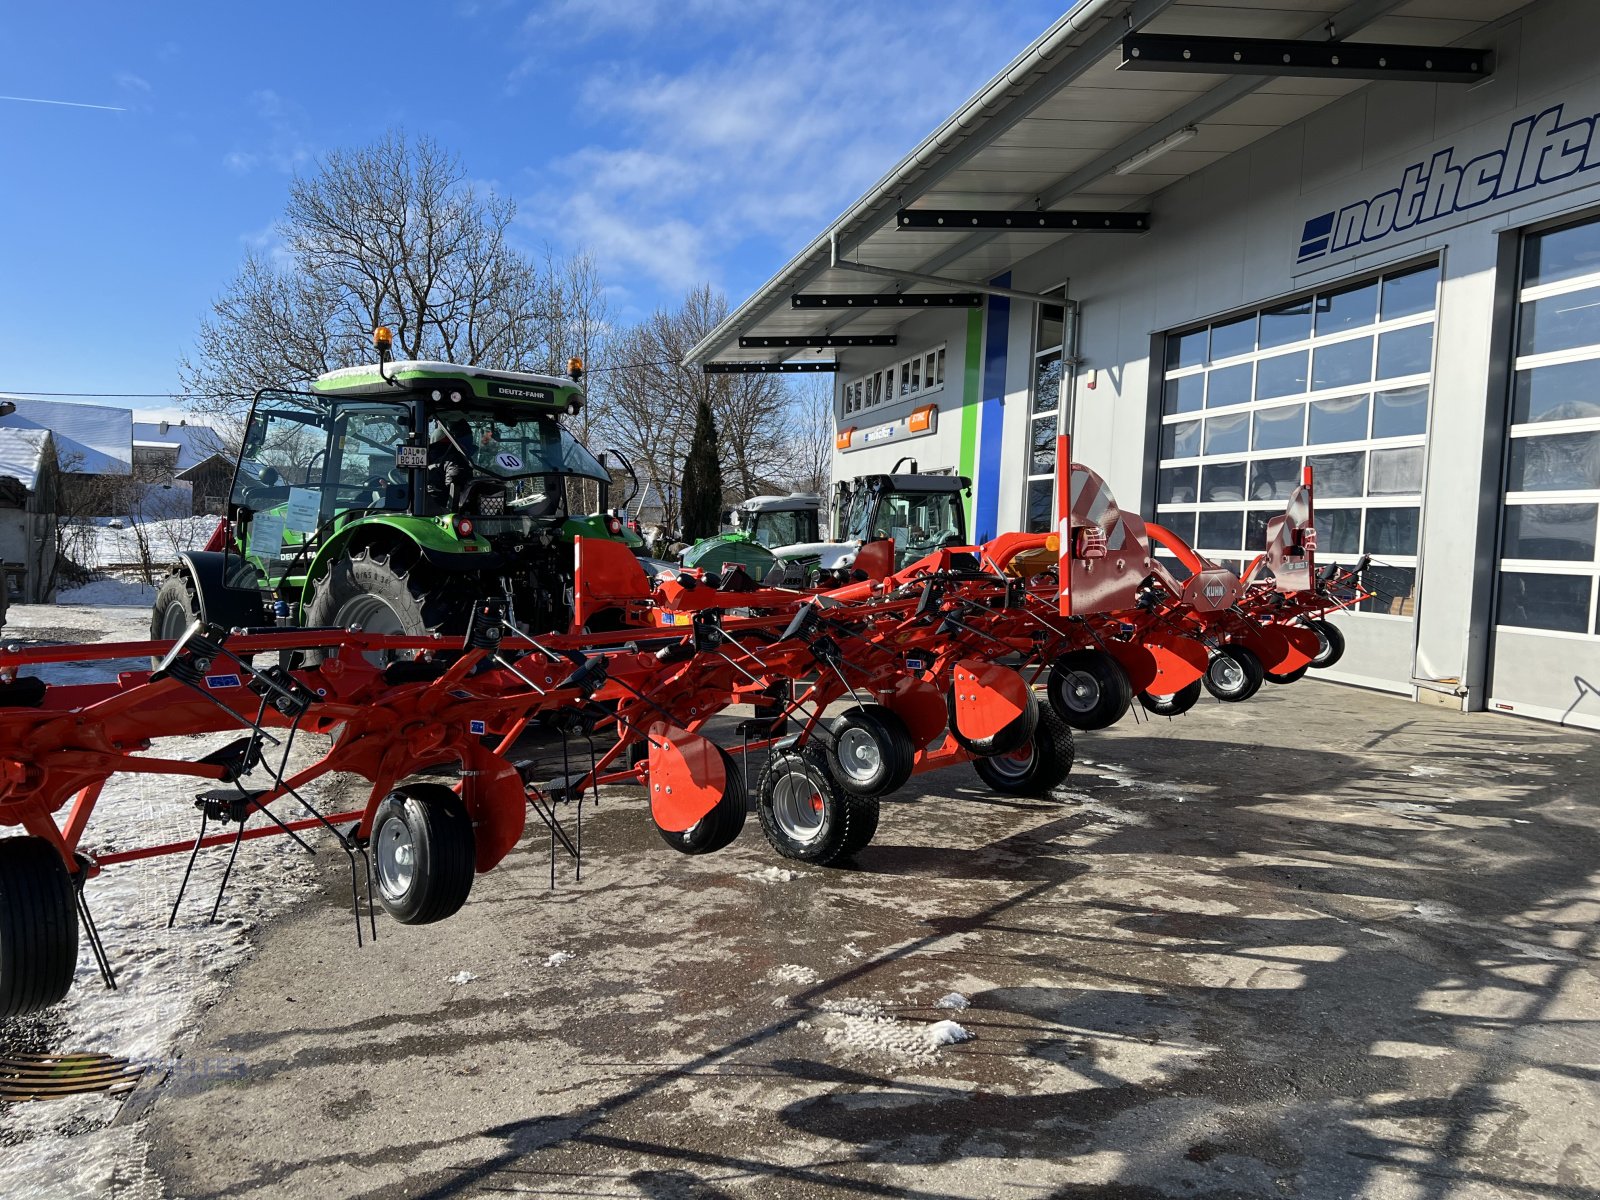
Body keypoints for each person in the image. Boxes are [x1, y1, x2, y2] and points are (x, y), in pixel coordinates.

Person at [426, 417, 474, 506]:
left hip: (436, 506)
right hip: (443, 506)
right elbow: (455, 485)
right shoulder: (455, 458)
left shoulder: (428, 459)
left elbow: (453, 484)